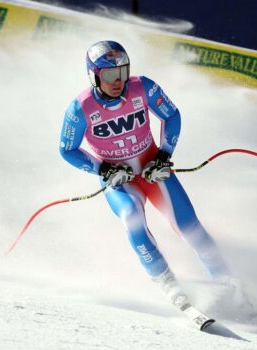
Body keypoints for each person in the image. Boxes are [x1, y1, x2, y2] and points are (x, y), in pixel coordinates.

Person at [60, 40, 229, 307]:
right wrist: (102, 168)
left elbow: (172, 116)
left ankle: (227, 283)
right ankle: (168, 284)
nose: (118, 81)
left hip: (152, 169)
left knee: (189, 225)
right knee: (132, 217)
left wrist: (164, 155)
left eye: (123, 72)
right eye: (110, 75)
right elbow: (67, 150)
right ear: (94, 75)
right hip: (120, 179)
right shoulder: (80, 109)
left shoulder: (142, 87)